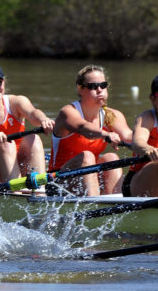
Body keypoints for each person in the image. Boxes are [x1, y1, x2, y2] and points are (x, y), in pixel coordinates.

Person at [0, 61, 55, 185]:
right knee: (6, 145)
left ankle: (40, 191)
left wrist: (43, 119)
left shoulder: (17, 102)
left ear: (4, 82)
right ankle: (17, 192)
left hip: (15, 166)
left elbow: (33, 113)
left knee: (33, 138)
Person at [50, 65, 133, 195]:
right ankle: (94, 203)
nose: (99, 90)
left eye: (103, 85)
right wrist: (106, 134)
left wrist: (150, 143)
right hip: (57, 181)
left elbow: (129, 136)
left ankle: (115, 204)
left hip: (87, 178)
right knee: (87, 156)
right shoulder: (68, 112)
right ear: (80, 89)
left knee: (111, 158)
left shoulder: (112, 115)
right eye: (93, 86)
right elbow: (84, 128)